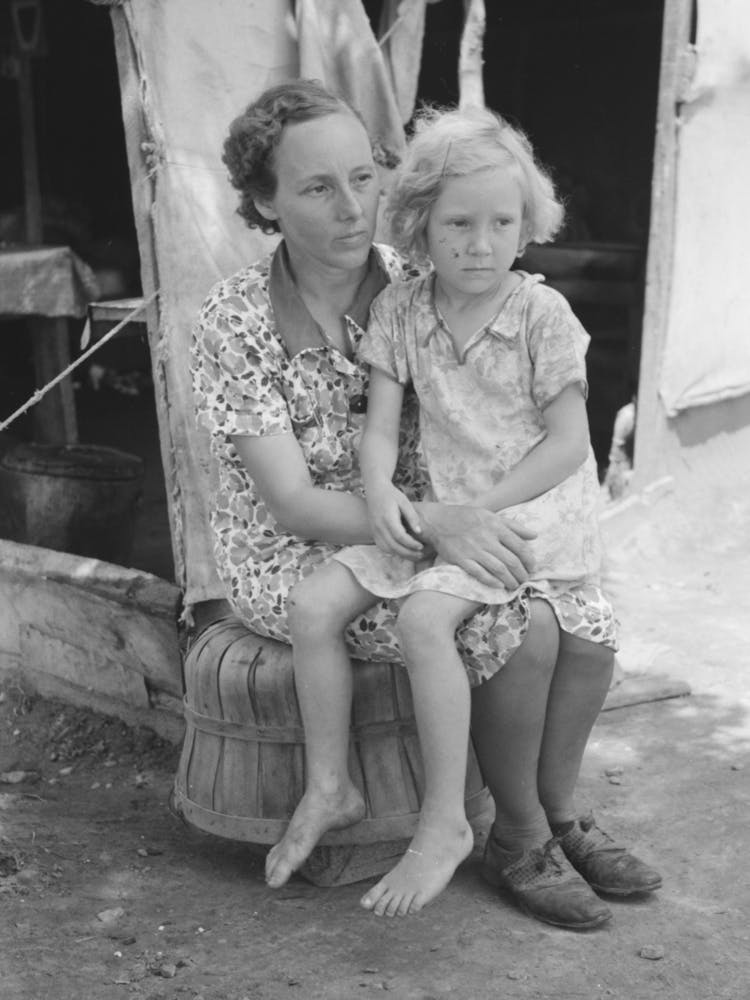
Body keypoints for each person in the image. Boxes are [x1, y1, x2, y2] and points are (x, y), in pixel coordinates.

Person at [191, 79, 661, 929]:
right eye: (315, 187)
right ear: (263, 203)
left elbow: (518, 401)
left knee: (562, 608)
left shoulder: (424, 275)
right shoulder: (234, 320)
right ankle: (516, 834)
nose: (350, 208)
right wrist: (440, 522)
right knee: (514, 625)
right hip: (302, 550)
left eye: (363, 177)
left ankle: (555, 815)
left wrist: (472, 512)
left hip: (436, 521)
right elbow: (295, 506)